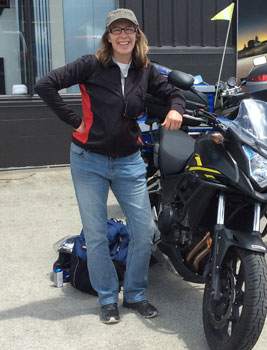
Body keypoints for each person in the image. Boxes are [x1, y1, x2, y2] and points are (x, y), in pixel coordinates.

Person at [35, 8, 186, 324]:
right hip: (88, 161)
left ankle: (134, 295)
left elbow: (173, 93)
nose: (123, 35)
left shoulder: (145, 69)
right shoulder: (91, 65)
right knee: (96, 233)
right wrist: (75, 121)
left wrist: (176, 110)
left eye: (128, 29)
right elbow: (45, 84)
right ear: (108, 36)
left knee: (144, 230)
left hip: (130, 162)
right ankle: (107, 299)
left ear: (137, 35)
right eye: (116, 30)